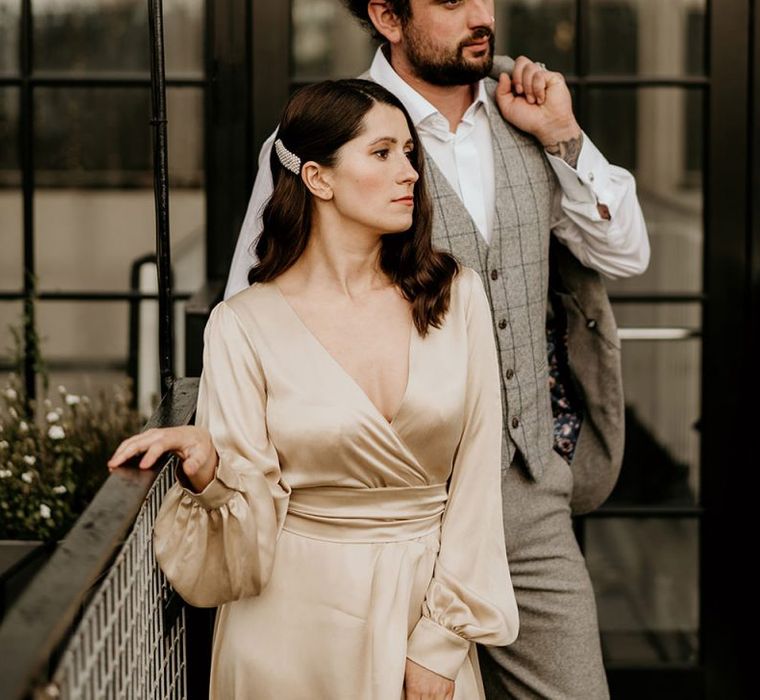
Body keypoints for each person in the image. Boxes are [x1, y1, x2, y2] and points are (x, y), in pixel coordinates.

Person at [224, 2, 651, 698]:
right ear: (388, 15)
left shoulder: (532, 116)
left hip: (525, 492)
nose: (480, 14)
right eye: (451, 1)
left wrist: (565, 136)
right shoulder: (325, 134)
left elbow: (627, 253)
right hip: (383, 505)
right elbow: (255, 296)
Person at [109, 78, 519, 699]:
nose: (410, 171)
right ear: (318, 178)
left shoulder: (454, 294)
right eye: (382, 154)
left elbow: (478, 489)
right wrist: (211, 469)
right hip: (286, 629)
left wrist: (441, 643)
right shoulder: (243, 324)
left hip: (423, 613)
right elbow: (249, 519)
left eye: (410, 152)